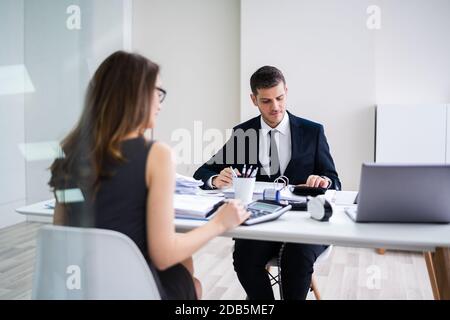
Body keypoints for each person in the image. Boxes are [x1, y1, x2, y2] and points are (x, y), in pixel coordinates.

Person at [49, 51, 250, 300]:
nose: (160, 103)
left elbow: (60, 237)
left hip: (80, 287)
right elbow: (163, 255)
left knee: (182, 267)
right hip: (132, 289)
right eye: (157, 92)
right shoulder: (155, 155)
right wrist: (220, 223)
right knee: (189, 278)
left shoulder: (68, 151)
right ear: (135, 96)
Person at [194, 66, 341, 299]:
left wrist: (323, 180)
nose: (275, 107)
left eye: (280, 98)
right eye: (266, 101)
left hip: (306, 223)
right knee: (243, 258)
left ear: (286, 92)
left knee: (296, 259)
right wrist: (215, 179)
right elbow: (202, 172)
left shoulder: (313, 132)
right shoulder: (243, 133)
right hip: (261, 224)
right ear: (254, 100)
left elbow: (334, 181)